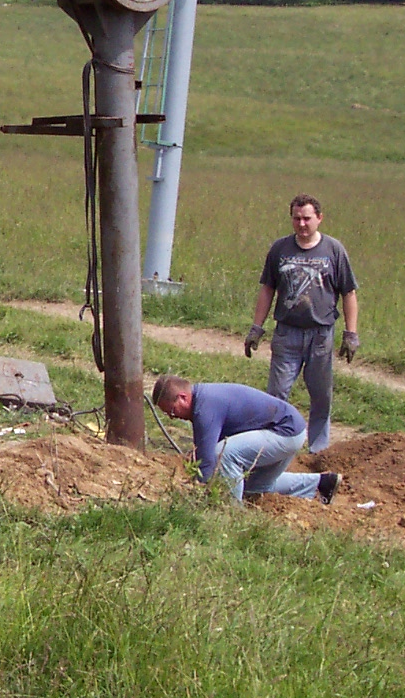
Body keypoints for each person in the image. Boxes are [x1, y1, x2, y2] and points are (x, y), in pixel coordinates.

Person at [246, 194, 358, 453]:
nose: (302, 224)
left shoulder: (334, 250)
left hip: (321, 334)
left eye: (307, 218)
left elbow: (349, 293)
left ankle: (318, 451)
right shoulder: (280, 249)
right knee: (276, 394)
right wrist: (256, 327)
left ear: (319, 218)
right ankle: (272, 446)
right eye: (296, 218)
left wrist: (351, 334)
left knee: (321, 396)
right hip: (287, 333)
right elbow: (267, 289)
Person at [151, 373, 339, 504]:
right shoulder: (203, 400)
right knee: (252, 486)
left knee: (223, 456)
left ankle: (232, 514)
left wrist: (197, 495)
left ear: (183, 397)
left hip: (284, 431)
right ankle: (320, 485)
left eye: (172, 412)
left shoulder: (205, 408)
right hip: (288, 430)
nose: (172, 417)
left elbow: (208, 461)